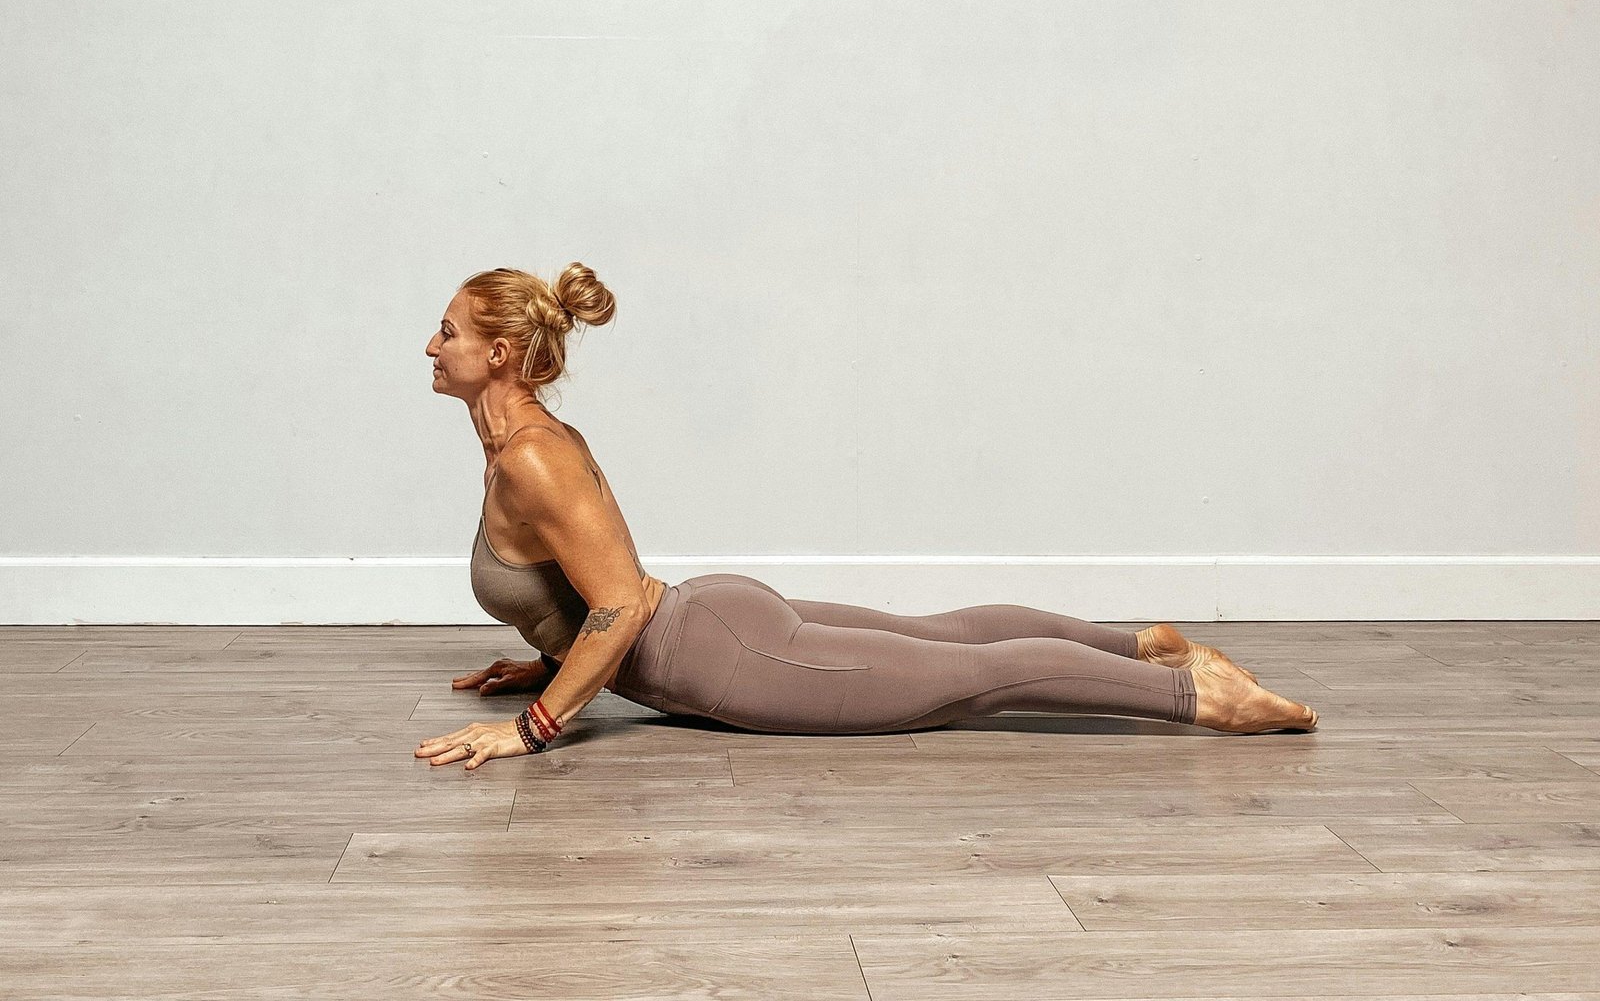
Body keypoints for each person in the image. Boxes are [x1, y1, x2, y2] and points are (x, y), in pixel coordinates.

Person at [415, 265, 1319, 771]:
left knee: (971, 680)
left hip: (717, 655)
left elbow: (615, 605)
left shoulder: (533, 456)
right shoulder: (512, 446)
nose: (431, 344)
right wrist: (546, 656)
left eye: (447, 331)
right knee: (948, 637)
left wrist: (533, 727)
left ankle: (1201, 695)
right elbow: (580, 588)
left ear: (498, 354)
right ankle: (1140, 647)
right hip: (713, 621)